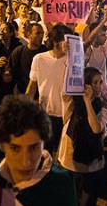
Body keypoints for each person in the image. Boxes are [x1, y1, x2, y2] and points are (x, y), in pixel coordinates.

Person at [58, 67, 107, 206]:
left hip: (92, 167)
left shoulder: (102, 104)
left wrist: (88, 102)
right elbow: (65, 87)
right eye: (94, 83)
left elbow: (97, 129)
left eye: (100, 82)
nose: (98, 87)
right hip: (69, 163)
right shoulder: (71, 104)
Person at [27, 24, 73, 155]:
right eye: (66, 41)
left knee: (61, 155)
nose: (69, 45)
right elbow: (32, 86)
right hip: (44, 114)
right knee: (43, 153)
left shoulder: (72, 61)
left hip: (66, 115)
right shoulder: (39, 59)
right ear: (55, 42)